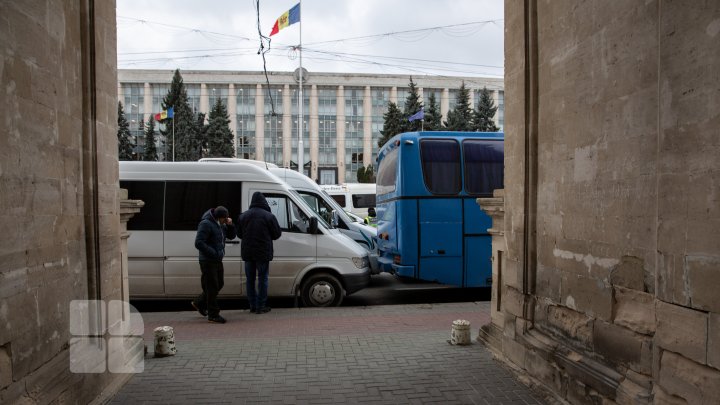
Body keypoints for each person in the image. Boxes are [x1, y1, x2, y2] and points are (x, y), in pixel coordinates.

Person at [238, 192, 282, 314]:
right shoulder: (269, 216)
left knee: (250, 280)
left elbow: (239, 234)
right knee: (263, 279)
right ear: (264, 202)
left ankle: (252, 305)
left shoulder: (243, 216)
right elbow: (277, 234)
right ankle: (261, 306)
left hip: (248, 253)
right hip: (263, 253)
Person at [192, 206, 236, 324]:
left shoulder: (220, 224)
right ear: (218, 217)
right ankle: (213, 315)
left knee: (219, 284)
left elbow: (232, 236)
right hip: (207, 260)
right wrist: (214, 253)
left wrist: (231, 225)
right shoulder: (206, 224)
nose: (226, 220)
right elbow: (199, 242)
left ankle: (199, 302)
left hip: (217, 259)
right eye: (224, 218)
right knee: (212, 287)